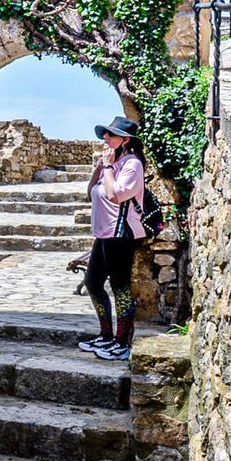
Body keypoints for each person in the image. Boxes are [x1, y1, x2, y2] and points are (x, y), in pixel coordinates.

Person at [76, 115, 147, 362]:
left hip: (122, 234)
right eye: (104, 134)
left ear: (125, 140)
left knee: (120, 288)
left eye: (110, 134)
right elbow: (91, 193)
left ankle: (121, 343)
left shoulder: (133, 165)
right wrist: (100, 167)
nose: (105, 138)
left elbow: (115, 195)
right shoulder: (112, 165)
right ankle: (105, 335)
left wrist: (108, 169)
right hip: (104, 234)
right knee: (93, 283)